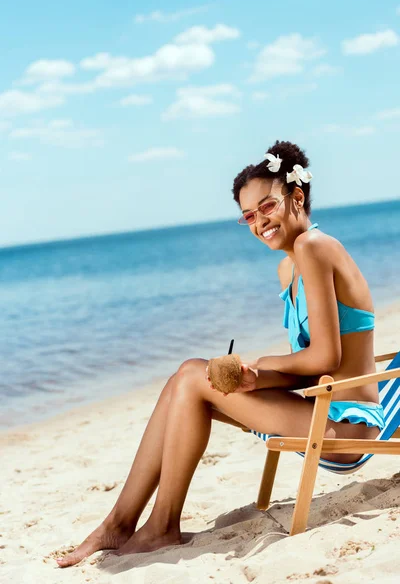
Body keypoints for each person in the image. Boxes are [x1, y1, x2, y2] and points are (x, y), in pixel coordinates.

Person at [57, 140, 383, 568]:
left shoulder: (313, 247)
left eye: (267, 207)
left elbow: (324, 358)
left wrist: (262, 365)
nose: (258, 222)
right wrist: (255, 376)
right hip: (321, 407)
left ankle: (157, 528)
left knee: (193, 375)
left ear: (296, 197)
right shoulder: (290, 266)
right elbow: (311, 368)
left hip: (346, 426)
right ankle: (121, 522)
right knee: (185, 380)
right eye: (248, 216)